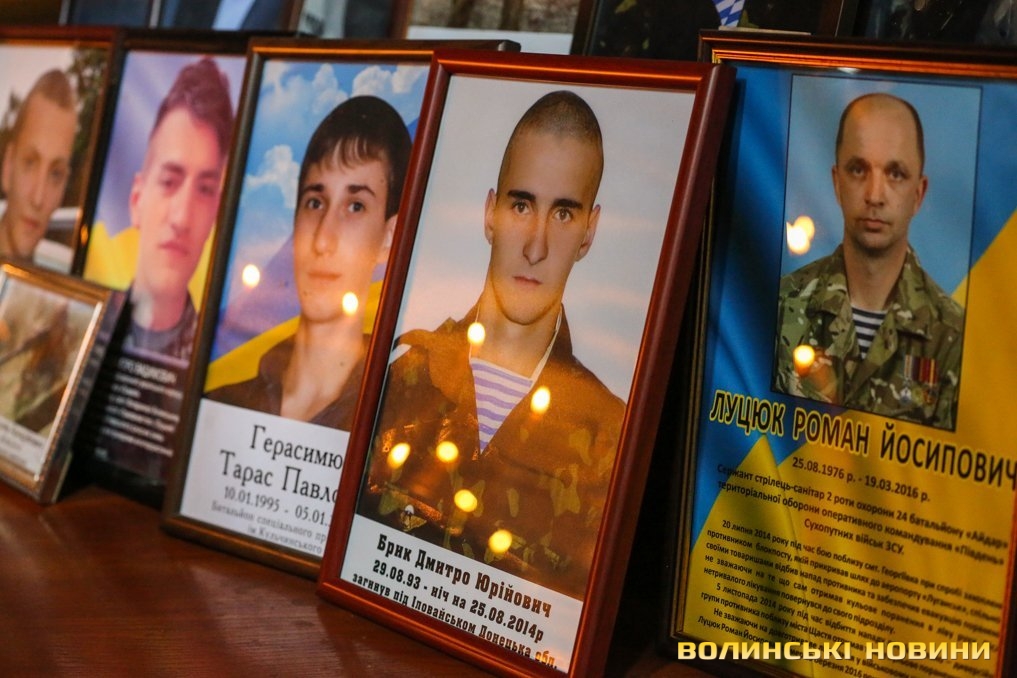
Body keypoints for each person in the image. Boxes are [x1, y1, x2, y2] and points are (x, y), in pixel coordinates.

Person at [361, 90, 625, 600]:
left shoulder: (608, 438)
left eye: (563, 214)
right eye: (521, 205)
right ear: (490, 214)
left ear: (589, 232)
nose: (536, 246)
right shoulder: (401, 378)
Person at [207, 96, 411, 428]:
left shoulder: (391, 427)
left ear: (389, 236)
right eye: (315, 202)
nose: (322, 240)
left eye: (355, 206)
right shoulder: (221, 405)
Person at [773, 92, 964, 430]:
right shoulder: (781, 306)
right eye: (858, 169)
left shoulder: (952, 336)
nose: (875, 196)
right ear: (837, 183)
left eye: (895, 174)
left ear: (918, 194)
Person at [123, 57, 234, 362]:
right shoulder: (80, 333)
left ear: (215, 215)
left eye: (205, 189)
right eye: (169, 182)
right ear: (136, 200)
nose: (182, 218)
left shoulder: (216, 367)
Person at [0, 70, 78, 264]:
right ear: (8, 168)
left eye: (55, 174)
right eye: (30, 163)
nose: (38, 198)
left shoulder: (60, 273)